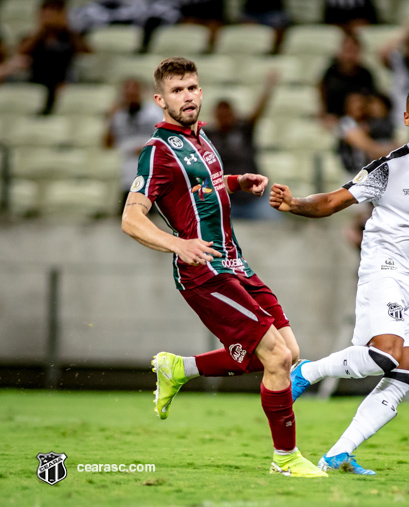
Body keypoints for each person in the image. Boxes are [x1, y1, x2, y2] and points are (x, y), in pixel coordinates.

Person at [120, 57, 325, 478]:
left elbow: (199, 186)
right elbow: (131, 218)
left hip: (235, 262)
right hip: (204, 272)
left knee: (290, 353)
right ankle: (285, 459)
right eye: (177, 91)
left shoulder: (202, 138)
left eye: (192, 87)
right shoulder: (157, 152)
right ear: (160, 99)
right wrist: (179, 244)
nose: (188, 96)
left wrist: (235, 182)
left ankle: (181, 368)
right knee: (276, 357)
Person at [269, 83, 409, 475]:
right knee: (386, 354)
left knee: (406, 369)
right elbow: (333, 201)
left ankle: (338, 454)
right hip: (385, 270)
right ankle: (308, 371)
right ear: (407, 119)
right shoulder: (388, 167)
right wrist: (294, 204)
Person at [203, 71, 280, 220]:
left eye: (228, 114)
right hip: (226, 201)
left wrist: (268, 89)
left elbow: (258, 113)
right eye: (221, 115)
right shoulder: (208, 136)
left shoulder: (244, 130)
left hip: (254, 200)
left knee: (275, 225)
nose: (224, 118)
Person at [17, 0, 91, 114]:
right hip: (36, 82)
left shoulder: (70, 37)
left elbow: (87, 53)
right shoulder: (32, 37)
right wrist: (42, 29)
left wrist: (68, 27)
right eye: (46, 14)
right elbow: (22, 52)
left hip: (63, 81)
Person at [105, 77, 164, 211]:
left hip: (152, 171)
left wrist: (147, 148)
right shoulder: (119, 115)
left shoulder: (153, 112)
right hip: (127, 172)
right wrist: (110, 119)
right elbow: (107, 144)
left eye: (134, 90)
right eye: (128, 91)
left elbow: (165, 137)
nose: (131, 95)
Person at [319, 32, 376, 126]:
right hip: (333, 118)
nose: (349, 56)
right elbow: (322, 94)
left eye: (354, 51)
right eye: (347, 50)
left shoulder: (365, 74)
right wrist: (324, 115)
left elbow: (371, 100)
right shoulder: (331, 72)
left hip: (358, 120)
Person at [337, 91, 399, 175]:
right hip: (350, 175)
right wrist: (393, 149)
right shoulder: (346, 122)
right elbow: (370, 147)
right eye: (354, 102)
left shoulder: (370, 124)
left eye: (361, 101)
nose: (358, 105)